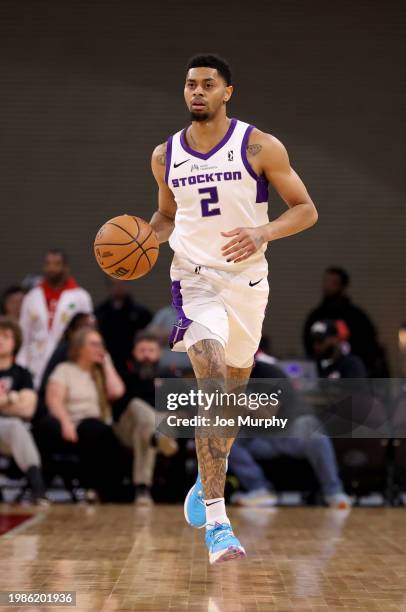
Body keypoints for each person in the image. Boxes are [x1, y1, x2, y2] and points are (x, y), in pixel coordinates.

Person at [149, 54, 318, 563]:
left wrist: (263, 231)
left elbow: (306, 209)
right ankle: (219, 524)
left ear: (228, 92)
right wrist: (142, 240)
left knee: (230, 402)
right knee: (214, 384)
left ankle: (206, 481)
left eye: (207, 85)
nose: (196, 92)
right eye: (189, 84)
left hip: (248, 286)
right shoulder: (165, 155)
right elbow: (165, 216)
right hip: (194, 281)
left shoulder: (259, 145)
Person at [228, 358, 351, 509]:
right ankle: (259, 489)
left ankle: (334, 492)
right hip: (262, 440)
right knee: (225, 442)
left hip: (291, 433)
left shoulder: (269, 374)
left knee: (316, 435)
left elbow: (267, 414)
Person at [37, 327, 125, 502]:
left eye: (101, 345)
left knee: (101, 432)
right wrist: (65, 423)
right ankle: (90, 487)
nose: (99, 348)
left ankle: (107, 490)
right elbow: (54, 400)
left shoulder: (99, 372)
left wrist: (107, 363)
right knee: (92, 430)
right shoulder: (65, 369)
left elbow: (117, 392)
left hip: (96, 423)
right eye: (93, 344)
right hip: (72, 422)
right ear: (79, 347)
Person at [113, 331, 178, 504]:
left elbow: (184, 406)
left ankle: (142, 488)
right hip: (126, 428)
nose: (146, 355)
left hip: (156, 427)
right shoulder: (123, 375)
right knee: (136, 404)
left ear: (159, 354)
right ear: (134, 353)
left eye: (151, 351)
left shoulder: (169, 376)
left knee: (148, 429)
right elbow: (117, 403)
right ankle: (157, 437)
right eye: (142, 351)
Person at [17, 249, 93, 388]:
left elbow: (87, 334)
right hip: (36, 362)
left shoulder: (80, 296)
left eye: (56, 264)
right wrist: (21, 364)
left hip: (68, 359)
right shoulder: (32, 296)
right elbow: (24, 334)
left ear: (65, 267)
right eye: (48, 264)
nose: (51, 268)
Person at [303, 267, 388, 376]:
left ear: (342, 287)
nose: (327, 286)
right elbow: (308, 344)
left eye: (333, 283)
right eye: (326, 281)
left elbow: (368, 348)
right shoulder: (316, 316)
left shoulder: (357, 318)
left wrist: (340, 348)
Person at [0, 317, 48, 504]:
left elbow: (28, 409)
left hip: (8, 434)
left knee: (15, 426)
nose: (0, 340)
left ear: (16, 342)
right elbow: (20, 403)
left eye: (6, 336)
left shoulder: (22, 374)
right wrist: (10, 398)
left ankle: (37, 487)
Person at [95, 279, 152, 372]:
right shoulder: (100, 312)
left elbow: (148, 337)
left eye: (122, 284)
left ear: (128, 285)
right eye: (114, 284)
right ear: (108, 287)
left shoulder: (141, 312)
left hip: (133, 362)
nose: (118, 288)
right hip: (107, 359)